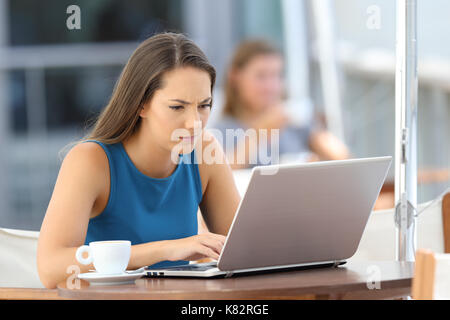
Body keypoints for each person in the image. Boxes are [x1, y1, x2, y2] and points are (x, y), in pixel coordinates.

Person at [37, 32, 240, 289]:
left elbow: (242, 252)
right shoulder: (90, 161)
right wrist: (166, 250)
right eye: (177, 107)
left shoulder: (204, 151)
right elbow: (51, 268)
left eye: (204, 105)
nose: (195, 123)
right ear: (140, 105)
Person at [213, 39, 350, 169]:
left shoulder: (293, 122)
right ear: (235, 77)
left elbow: (344, 159)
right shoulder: (223, 130)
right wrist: (258, 133)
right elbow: (223, 173)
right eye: (261, 76)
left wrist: (317, 131)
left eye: (277, 75)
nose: (271, 86)